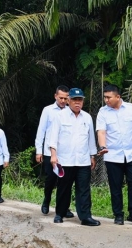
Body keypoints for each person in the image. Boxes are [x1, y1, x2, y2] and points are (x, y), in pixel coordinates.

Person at [49, 87, 100, 226]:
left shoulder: (87, 117)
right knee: (64, 188)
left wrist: (92, 156)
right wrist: (53, 155)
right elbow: (53, 137)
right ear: (69, 101)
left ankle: (85, 217)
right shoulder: (59, 116)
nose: (77, 103)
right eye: (74, 100)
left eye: (80, 100)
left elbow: (90, 139)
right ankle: (60, 213)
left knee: (83, 189)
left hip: (83, 160)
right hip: (65, 159)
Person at [96, 84, 132, 225]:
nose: (106, 100)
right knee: (115, 185)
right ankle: (118, 214)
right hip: (113, 156)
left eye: (109, 97)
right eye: (104, 97)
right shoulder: (103, 112)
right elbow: (101, 131)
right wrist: (103, 146)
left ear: (118, 97)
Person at [34, 85, 73, 218]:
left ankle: (63, 207)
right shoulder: (48, 110)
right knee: (51, 179)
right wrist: (39, 151)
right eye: (60, 97)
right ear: (55, 96)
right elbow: (41, 131)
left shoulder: (71, 111)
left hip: (66, 153)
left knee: (66, 181)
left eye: (65, 98)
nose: (63, 100)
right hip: (49, 153)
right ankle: (46, 201)